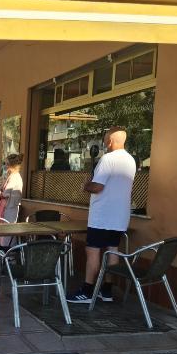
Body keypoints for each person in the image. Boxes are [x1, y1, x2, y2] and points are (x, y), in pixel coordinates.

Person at [67, 127, 136, 304]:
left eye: (106, 139)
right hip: (120, 216)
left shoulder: (107, 159)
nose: (105, 143)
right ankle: (106, 290)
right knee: (112, 250)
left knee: (93, 251)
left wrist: (85, 185)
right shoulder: (131, 160)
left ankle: (88, 291)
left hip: (102, 216)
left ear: (110, 141)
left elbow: (98, 187)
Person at [0, 154, 24, 246]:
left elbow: (6, 193)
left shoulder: (14, 177)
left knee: (7, 231)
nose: (5, 166)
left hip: (10, 208)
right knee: (7, 231)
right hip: (10, 207)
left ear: (12, 165)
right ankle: (8, 254)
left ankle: (8, 254)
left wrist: (0, 193)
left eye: (7, 164)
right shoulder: (12, 175)